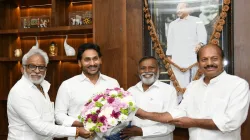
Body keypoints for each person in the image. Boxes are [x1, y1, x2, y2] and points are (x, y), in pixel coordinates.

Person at [136, 44, 250, 140]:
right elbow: (178, 112)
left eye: (214, 58)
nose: (209, 63)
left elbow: (231, 121)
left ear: (222, 60)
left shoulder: (238, 85)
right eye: (204, 59)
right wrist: (142, 113)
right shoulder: (192, 87)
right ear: (198, 64)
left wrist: (193, 122)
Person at [7, 48, 91, 140]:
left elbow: (49, 121)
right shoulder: (20, 91)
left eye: (41, 67)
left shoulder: (43, 87)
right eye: (32, 66)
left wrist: (81, 123)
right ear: (23, 69)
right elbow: (39, 127)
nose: (37, 71)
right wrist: (76, 131)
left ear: (46, 69)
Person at [55, 43, 120, 140]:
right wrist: (83, 124)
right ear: (79, 63)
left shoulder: (112, 83)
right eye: (87, 60)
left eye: (95, 58)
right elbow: (59, 116)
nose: (92, 63)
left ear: (100, 60)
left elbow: (119, 110)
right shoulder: (67, 85)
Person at [120, 56, 178, 140]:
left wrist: (142, 131)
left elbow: (171, 124)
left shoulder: (169, 91)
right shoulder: (130, 91)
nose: (147, 71)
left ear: (159, 70)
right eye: (143, 68)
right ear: (138, 71)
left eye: (151, 68)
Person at [166, 2, 207, 98]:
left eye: (181, 8)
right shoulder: (173, 24)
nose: (178, 10)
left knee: (194, 83)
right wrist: (169, 57)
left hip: (192, 59)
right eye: (177, 8)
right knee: (177, 82)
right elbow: (170, 41)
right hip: (177, 59)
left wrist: (200, 44)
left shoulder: (197, 21)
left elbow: (202, 37)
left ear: (189, 9)